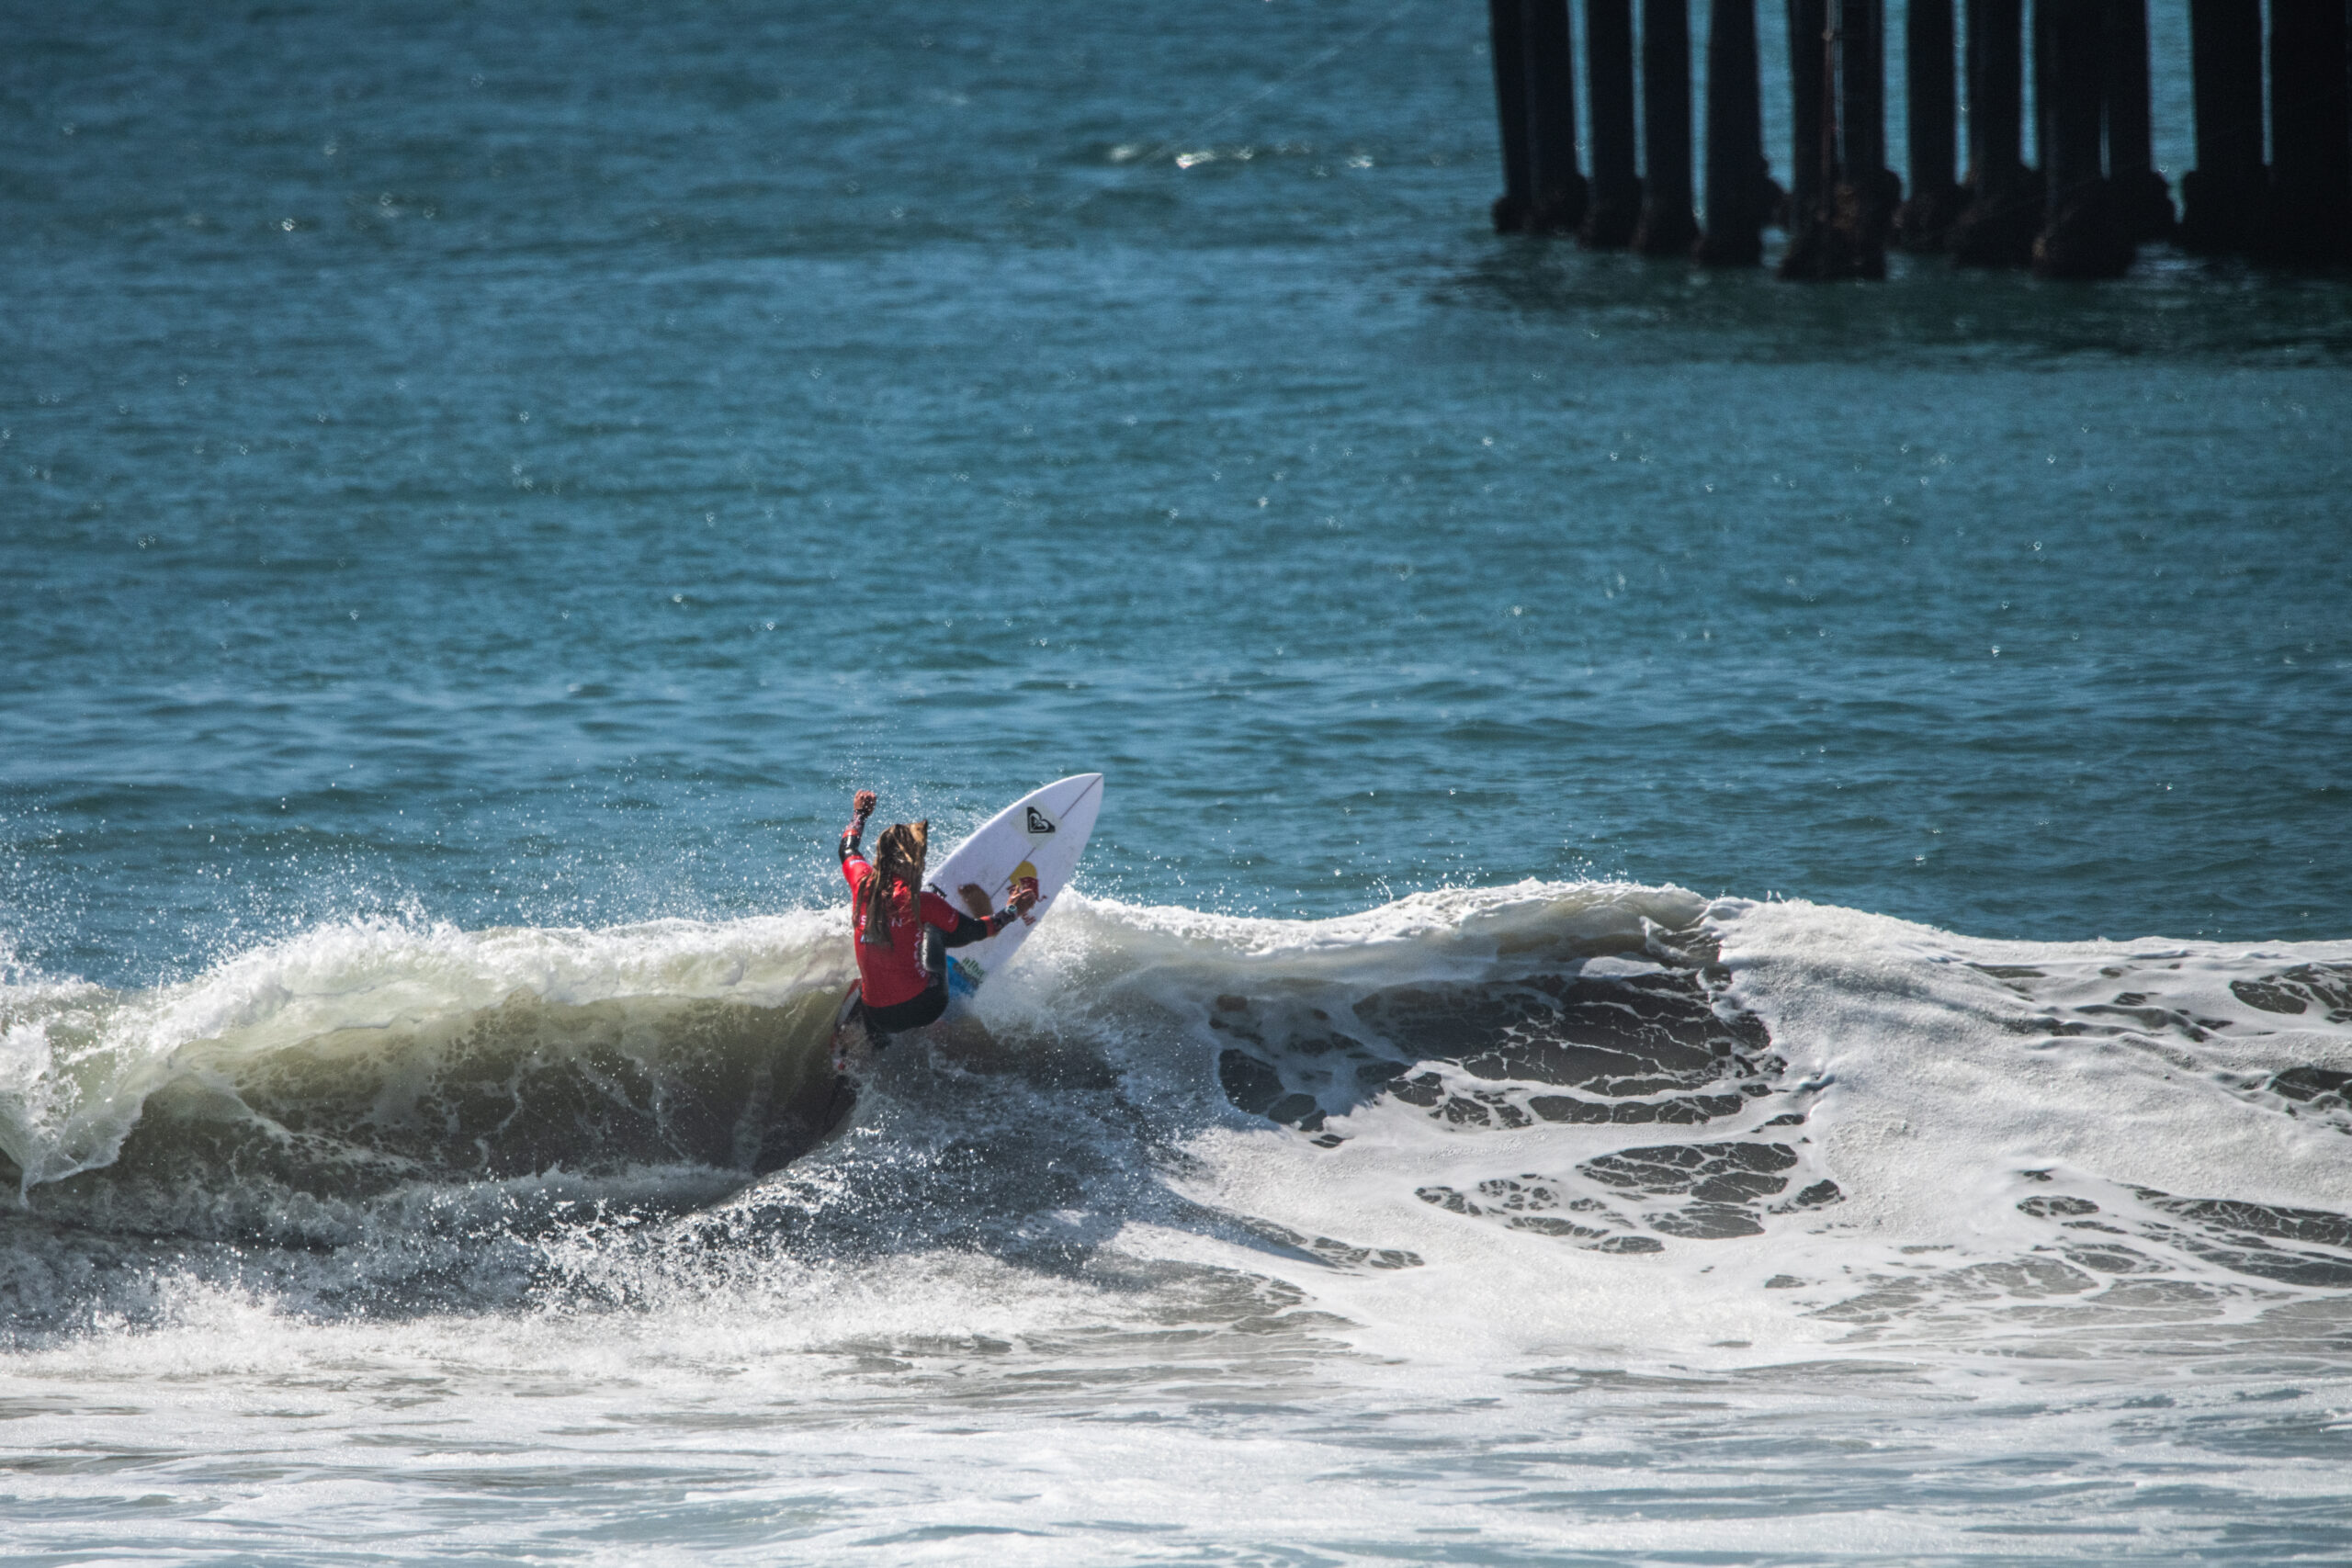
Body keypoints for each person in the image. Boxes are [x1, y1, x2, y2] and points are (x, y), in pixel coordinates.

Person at [838, 789, 1037, 1038]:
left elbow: (848, 848)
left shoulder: (860, 881)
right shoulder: (923, 903)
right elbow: (975, 932)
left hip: (880, 1017)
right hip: (926, 1008)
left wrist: (859, 814)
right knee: (937, 929)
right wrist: (1012, 910)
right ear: (915, 861)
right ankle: (939, 1021)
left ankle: (871, 1040)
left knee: (881, 962)